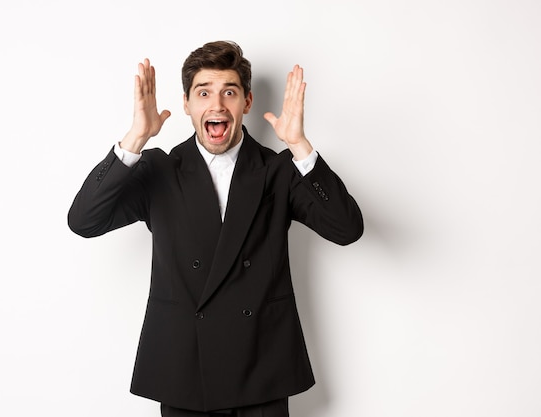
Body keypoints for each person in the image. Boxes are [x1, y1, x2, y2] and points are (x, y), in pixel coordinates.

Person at [68, 40, 363, 417]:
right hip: (186, 371)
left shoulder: (277, 170)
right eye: (203, 92)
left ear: (248, 103)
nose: (217, 104)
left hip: (261, 368)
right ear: (188, 104)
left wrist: (301, 147)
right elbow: (83, 221)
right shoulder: (159, 169)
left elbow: (347, 229)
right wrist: (135, 139)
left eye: (230, 92)